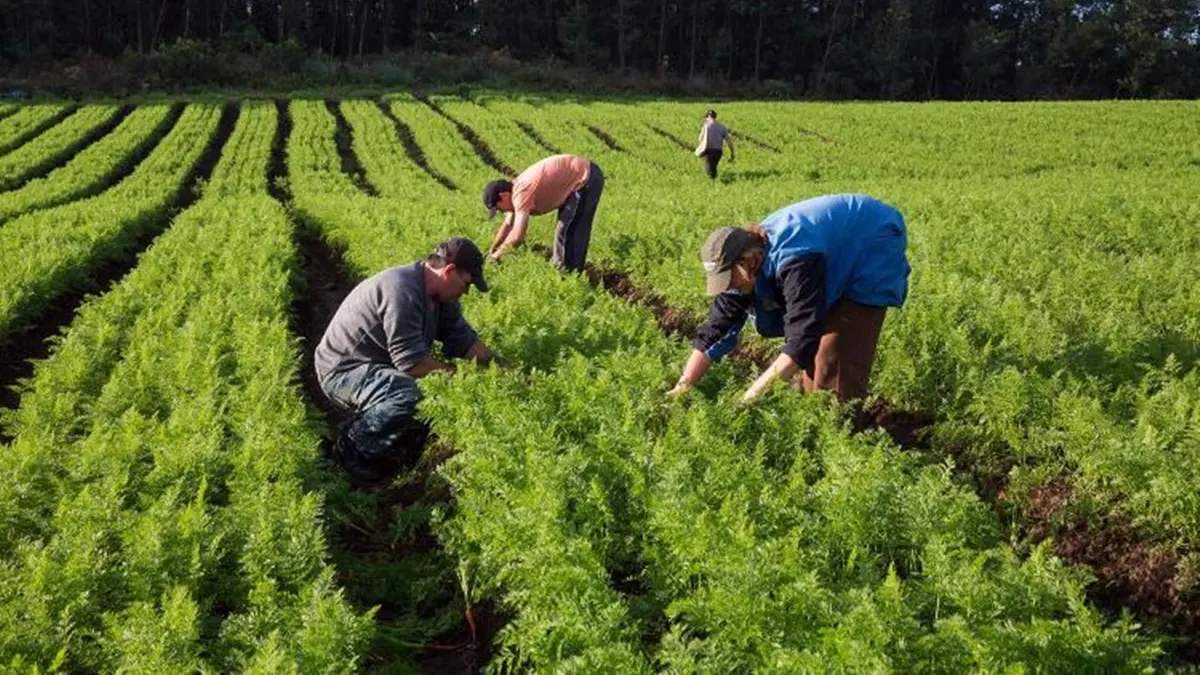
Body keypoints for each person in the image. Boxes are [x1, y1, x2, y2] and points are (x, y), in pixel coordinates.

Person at [668, 194, 911, 404]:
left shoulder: (794, 262)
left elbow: (801, 340)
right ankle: (813, 419)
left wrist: (750, 398)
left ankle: (839, 434)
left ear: (747, 263)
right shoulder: (744, 271)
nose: (728, 287)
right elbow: (715, 331)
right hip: (831, 251)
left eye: (729, 279)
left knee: (834, 360)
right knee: (813, 365)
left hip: (871, 241)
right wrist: (683, 385)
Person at [315, 237, 496, 480]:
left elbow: (466, 342)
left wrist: (501, 367)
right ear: (449, 271)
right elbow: (411, 363)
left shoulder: (441, 298)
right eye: (467, 283)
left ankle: (391, 437)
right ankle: (352, 447)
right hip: (342, 371)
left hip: (375, 366)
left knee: (422, 391)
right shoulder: (403, 290)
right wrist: (457, 375)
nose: (466, 291)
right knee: (408, 393)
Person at [482, 154, 605, 272]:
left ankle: (568, 276)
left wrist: (496, 256)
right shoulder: (515, 189)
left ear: (503, 195)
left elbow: (518, 235)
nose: (502, 211)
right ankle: (564, 272)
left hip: (586, 178)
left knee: (569, 230)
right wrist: (493, 250)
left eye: (499, 208)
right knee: (565, 229)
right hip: (580, 175)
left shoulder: (521, 193)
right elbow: (508, 225)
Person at [694, 109, 735, 180]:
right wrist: (732, 153)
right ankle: (716, 180)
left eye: (706, 117)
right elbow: (729, 141)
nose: (705, 119)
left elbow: (700, 138)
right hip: (718, 152)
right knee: (713, 167)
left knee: (709, 171)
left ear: (708, 117)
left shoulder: (706, 126)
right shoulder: (722, 127)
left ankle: (716, 182)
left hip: (708, 151)